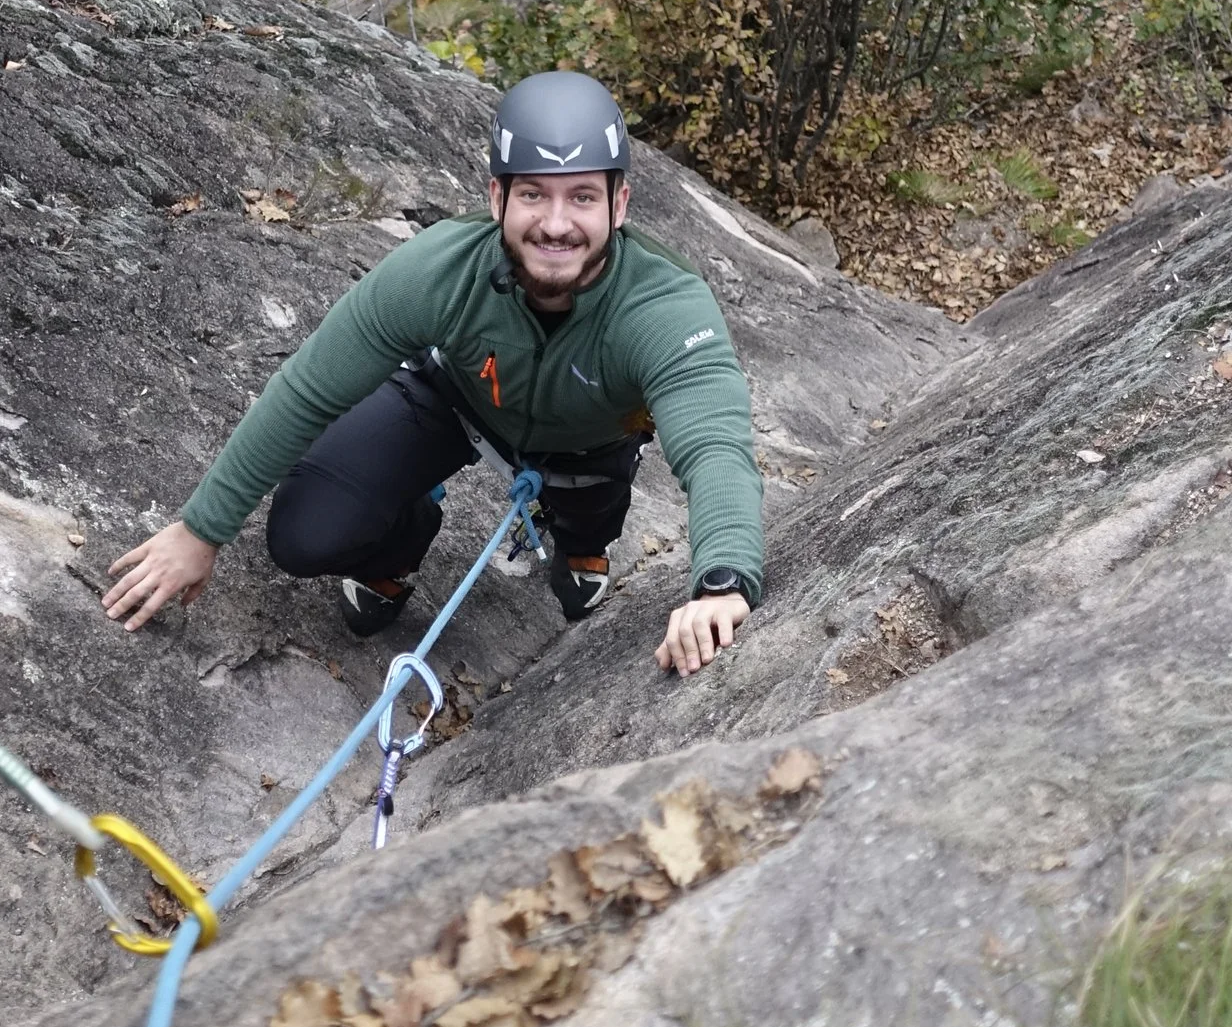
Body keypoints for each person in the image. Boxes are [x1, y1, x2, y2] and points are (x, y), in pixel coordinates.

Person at [101, 72, 764, 676]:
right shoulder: (441, 271)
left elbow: (713, 448)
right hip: (459, 400)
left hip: (591, 445)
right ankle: (400, 543)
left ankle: (582, 541)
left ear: (619, 205)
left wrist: (721, 583)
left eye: (582, 196)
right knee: (305, 532)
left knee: (585, 542)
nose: (556, 223)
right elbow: (310, 387)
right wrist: (200, 530)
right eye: (533, 194)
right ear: (497, 196)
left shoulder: (662, 306)